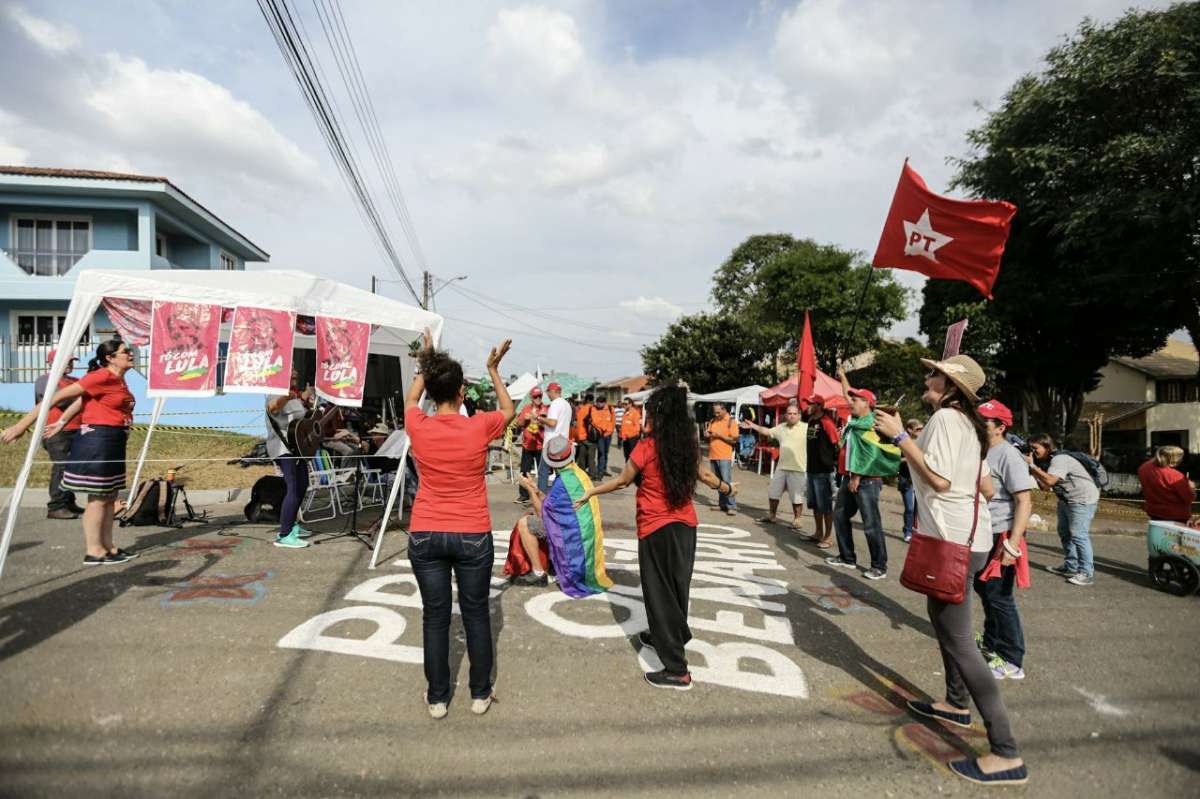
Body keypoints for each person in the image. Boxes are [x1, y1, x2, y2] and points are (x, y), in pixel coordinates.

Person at [875, 355, 1027, 786]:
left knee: (960, 642)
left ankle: (1006, 752)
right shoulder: (972, 426)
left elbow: (940, 480)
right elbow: (986, 486)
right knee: (944, 627)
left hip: (950, 540)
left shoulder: (944, 418)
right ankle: (955, 703)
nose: (927, 377)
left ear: (951, 385)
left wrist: (902, 437)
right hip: (970, 539)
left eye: (934, 373)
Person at [577, 383, 736, 691]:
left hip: (655, 529)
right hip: (685, 528)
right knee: (677, 589)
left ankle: (677, 670)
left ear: (657, 415)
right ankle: (668, 634)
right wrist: (728, 489)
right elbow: (705, 476)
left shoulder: (647, 446)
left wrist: (591, 491)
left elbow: (624, 481)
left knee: (659, 594)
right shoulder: (689, 445)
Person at [404, 330, 514, 719]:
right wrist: (493, 370)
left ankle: (437, 697)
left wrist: (427, 359)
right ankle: (480, 694)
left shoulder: (417, 424)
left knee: (434, 616)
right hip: (471, 533)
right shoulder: (479, 426)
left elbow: (412, 397)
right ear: (462, 393)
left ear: (432, 392)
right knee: (476, 613)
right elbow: (510, 410)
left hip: (426, 532)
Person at [41, 341, 139, 565]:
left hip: (113, 439)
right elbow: (58, 398)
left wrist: (63, 421)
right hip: (98, 441)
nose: (131, 354)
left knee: (109, 497)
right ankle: (93, 551)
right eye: (126, 352)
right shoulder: (100, 376)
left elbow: (80, 401)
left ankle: (108, 546)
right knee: (97, 498)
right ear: (110, 358)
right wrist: (56, 422)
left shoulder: (118, 379)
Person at [976, 400, 1034, 681]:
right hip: (984, 534)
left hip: (1003, 536)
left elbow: (1024, 501)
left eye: (984, 421)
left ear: (1000, 427)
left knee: (999, 597)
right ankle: (990, 642)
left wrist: (1012, 544)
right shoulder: (983, 450)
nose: (978, 425)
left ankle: (1013, 659)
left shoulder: (1008, 455)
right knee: (985, 591)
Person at [1, 350, 86, 519]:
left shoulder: (76, 381)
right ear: (53, 363)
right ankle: (56, 506)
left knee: (71, 468)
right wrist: (80, 396)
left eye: (71, 361)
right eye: (66, 361)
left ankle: (68, 501)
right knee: (61, 467)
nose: (70, 364)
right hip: (55, 431)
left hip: (76, 429)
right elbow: (59, 400)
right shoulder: (46, 380)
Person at [826, 371, 892, 580]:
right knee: (840, 516)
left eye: (856, 400)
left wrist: (856, 477)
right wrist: (842, 375)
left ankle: (879, 566)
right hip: (849, 477)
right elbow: (846, 392)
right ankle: (847, 557)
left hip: (865, 480)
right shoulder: (856, 421)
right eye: (852, 399)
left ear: (867, 404)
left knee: (871, 523)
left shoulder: (871, 424)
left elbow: (870, 454)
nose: (851, 401)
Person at [1026, 434, 1099, 587]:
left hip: (1082, 499)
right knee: (1064, 532)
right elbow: (1046, 486)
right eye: (1031, 448)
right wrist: (1032, 469)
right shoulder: (1048, 461)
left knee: (1079, 535)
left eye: (1035, 448)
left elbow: (1050, 480)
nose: (1033, 451)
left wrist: (1032, 466)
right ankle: (1071, 566)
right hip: (1066, 499)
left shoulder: (1059, 459)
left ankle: (1086, 573)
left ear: (1046, 446)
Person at [511, 436, 576, 587]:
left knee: (525, 523)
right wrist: (536, 490)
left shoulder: (562, 482)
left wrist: (529, 490)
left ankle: (538, 572)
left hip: (565, 529)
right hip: (573, 524)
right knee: (531, 518)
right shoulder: (573, 474)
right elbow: (550, 503)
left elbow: (543, 514)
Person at [265, 369, 314, 549]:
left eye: (295, 373)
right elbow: (273, 407)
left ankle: (292, 525)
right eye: (291, 373)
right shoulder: (276, 391)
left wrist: (304, 399)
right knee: (292, 488)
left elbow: (301, 420)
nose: (295, 375)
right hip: (283, 447)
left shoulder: (295, 395)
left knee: (302, 484)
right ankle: (284, 535)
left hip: (297, 448)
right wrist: (288, 395)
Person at [741, 402, 808, 529]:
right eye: (789, 413)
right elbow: (766, 431)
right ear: (785, 415)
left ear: (799, 416)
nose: (792, 416)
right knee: (773, 492)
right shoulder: (781, 427)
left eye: (794, 414)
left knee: (797, 497)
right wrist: (753, 425)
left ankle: (797, 519)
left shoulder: (806, 427)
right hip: (781, 467)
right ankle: (772, 516)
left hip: (798, 468)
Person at [803, 396, 839, 548]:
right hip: (811, 469)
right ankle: (818, 532)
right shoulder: (811, 421)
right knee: (815, 504)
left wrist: (832, 463)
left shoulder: (827, 422)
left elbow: (837, 443)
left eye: (811, 404)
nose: (808, 406)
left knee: (825, 505)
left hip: (824, 471)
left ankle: (828, 537)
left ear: (819, 406)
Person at [1137, 445, 1195, 523]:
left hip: (1153, 511)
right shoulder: (1175, 476)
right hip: (1175, 516)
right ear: (1174, 460)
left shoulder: (1144, 467)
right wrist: (1191, 488)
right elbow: (1188, 498)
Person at [536, 382, 573, 494]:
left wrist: (539, 418)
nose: (547, 395)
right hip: (563, 441)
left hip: (552, 443)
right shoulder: (567, 405)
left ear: (553, 392)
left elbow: (552, 423)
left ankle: (541, 497)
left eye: (548, 392)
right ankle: (563, 495)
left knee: (543, 471)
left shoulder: (555, 404)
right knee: (561, 472)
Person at [513, 387, 547, 503]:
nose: (538, 398)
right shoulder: (526, 408)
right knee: (524, 470)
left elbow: (549, 425)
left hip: (540, 444)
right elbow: (519, 423)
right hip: (528, 445)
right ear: (531, 398)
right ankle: (524, 494)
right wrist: (525, 418)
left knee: (542, 471)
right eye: (535, 396)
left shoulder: (545, 408)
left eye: (540, 396)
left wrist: (539, 420)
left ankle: (542, 494)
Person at [705, 402, 739, 516]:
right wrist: (707, 435)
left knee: (727, 481)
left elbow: (734, 440)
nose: (716, 414)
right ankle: (722, 504)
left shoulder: (731, 422)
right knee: (718, 482)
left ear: (725, 410)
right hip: (713, 455)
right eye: (715, 412)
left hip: (724, 456)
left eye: (718, 412)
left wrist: (719, 435)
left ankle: (732, 505)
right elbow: (710, 434)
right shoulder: (713, 421)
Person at [897, 418, 925, 543]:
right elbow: (896, 460)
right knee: (909, 507)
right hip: (906, 480)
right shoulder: (902, 443)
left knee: (918, 510)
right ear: (909, 430)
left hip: (920, 481)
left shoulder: (924, 442)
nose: (921, 431)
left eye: (922, 428)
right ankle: (907, 532)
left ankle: (915, 531)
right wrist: (911, 457)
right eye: (918, 429)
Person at [589, 394, 616, 479]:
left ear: (604, 403)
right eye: (597, 402)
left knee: (606, 452)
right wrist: (603, 429)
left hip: (608, 435)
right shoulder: (594, 409)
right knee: (601, 453)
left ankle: (603, 469)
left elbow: (613, 422)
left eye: (600, 403)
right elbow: (595, 421)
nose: (598, 404)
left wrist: (610, 431)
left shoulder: (611, 409)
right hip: (600, 435)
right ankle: (600, 471)